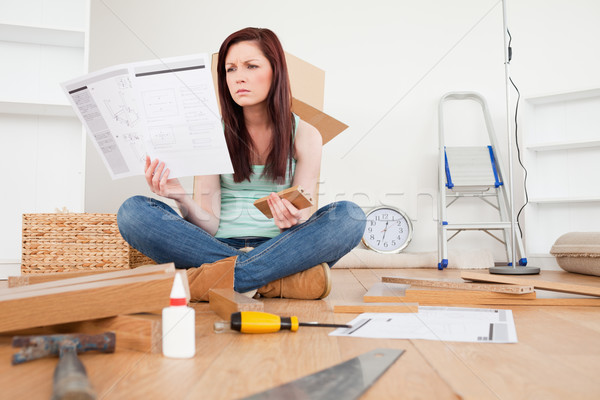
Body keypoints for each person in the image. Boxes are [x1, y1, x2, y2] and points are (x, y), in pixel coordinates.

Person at [117, 27, 365, 301]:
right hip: (213, 247)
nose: (239, 78)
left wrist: (293, 221)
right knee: (133, 212)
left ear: (276, 71)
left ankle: (216, 280)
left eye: (251, 66)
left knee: (349, 216)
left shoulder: (307, 134)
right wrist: (178, 195)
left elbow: (304, 216)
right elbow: (209, 224)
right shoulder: (212, 132)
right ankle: (271, 282)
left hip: (281, 249)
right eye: (230, 69)